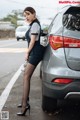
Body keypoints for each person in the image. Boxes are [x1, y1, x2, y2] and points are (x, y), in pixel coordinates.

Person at [17, 7, 46, 116]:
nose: (26, 17)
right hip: (34, 52)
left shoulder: (35, 25)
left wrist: (27, 53)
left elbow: (33, 42)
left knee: (26, 76)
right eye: (25, 15)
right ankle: (24, 102)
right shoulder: (33, 24)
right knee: (26, 76)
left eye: (28, 14)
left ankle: (25, 105)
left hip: (36, 52)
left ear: (34, 14)